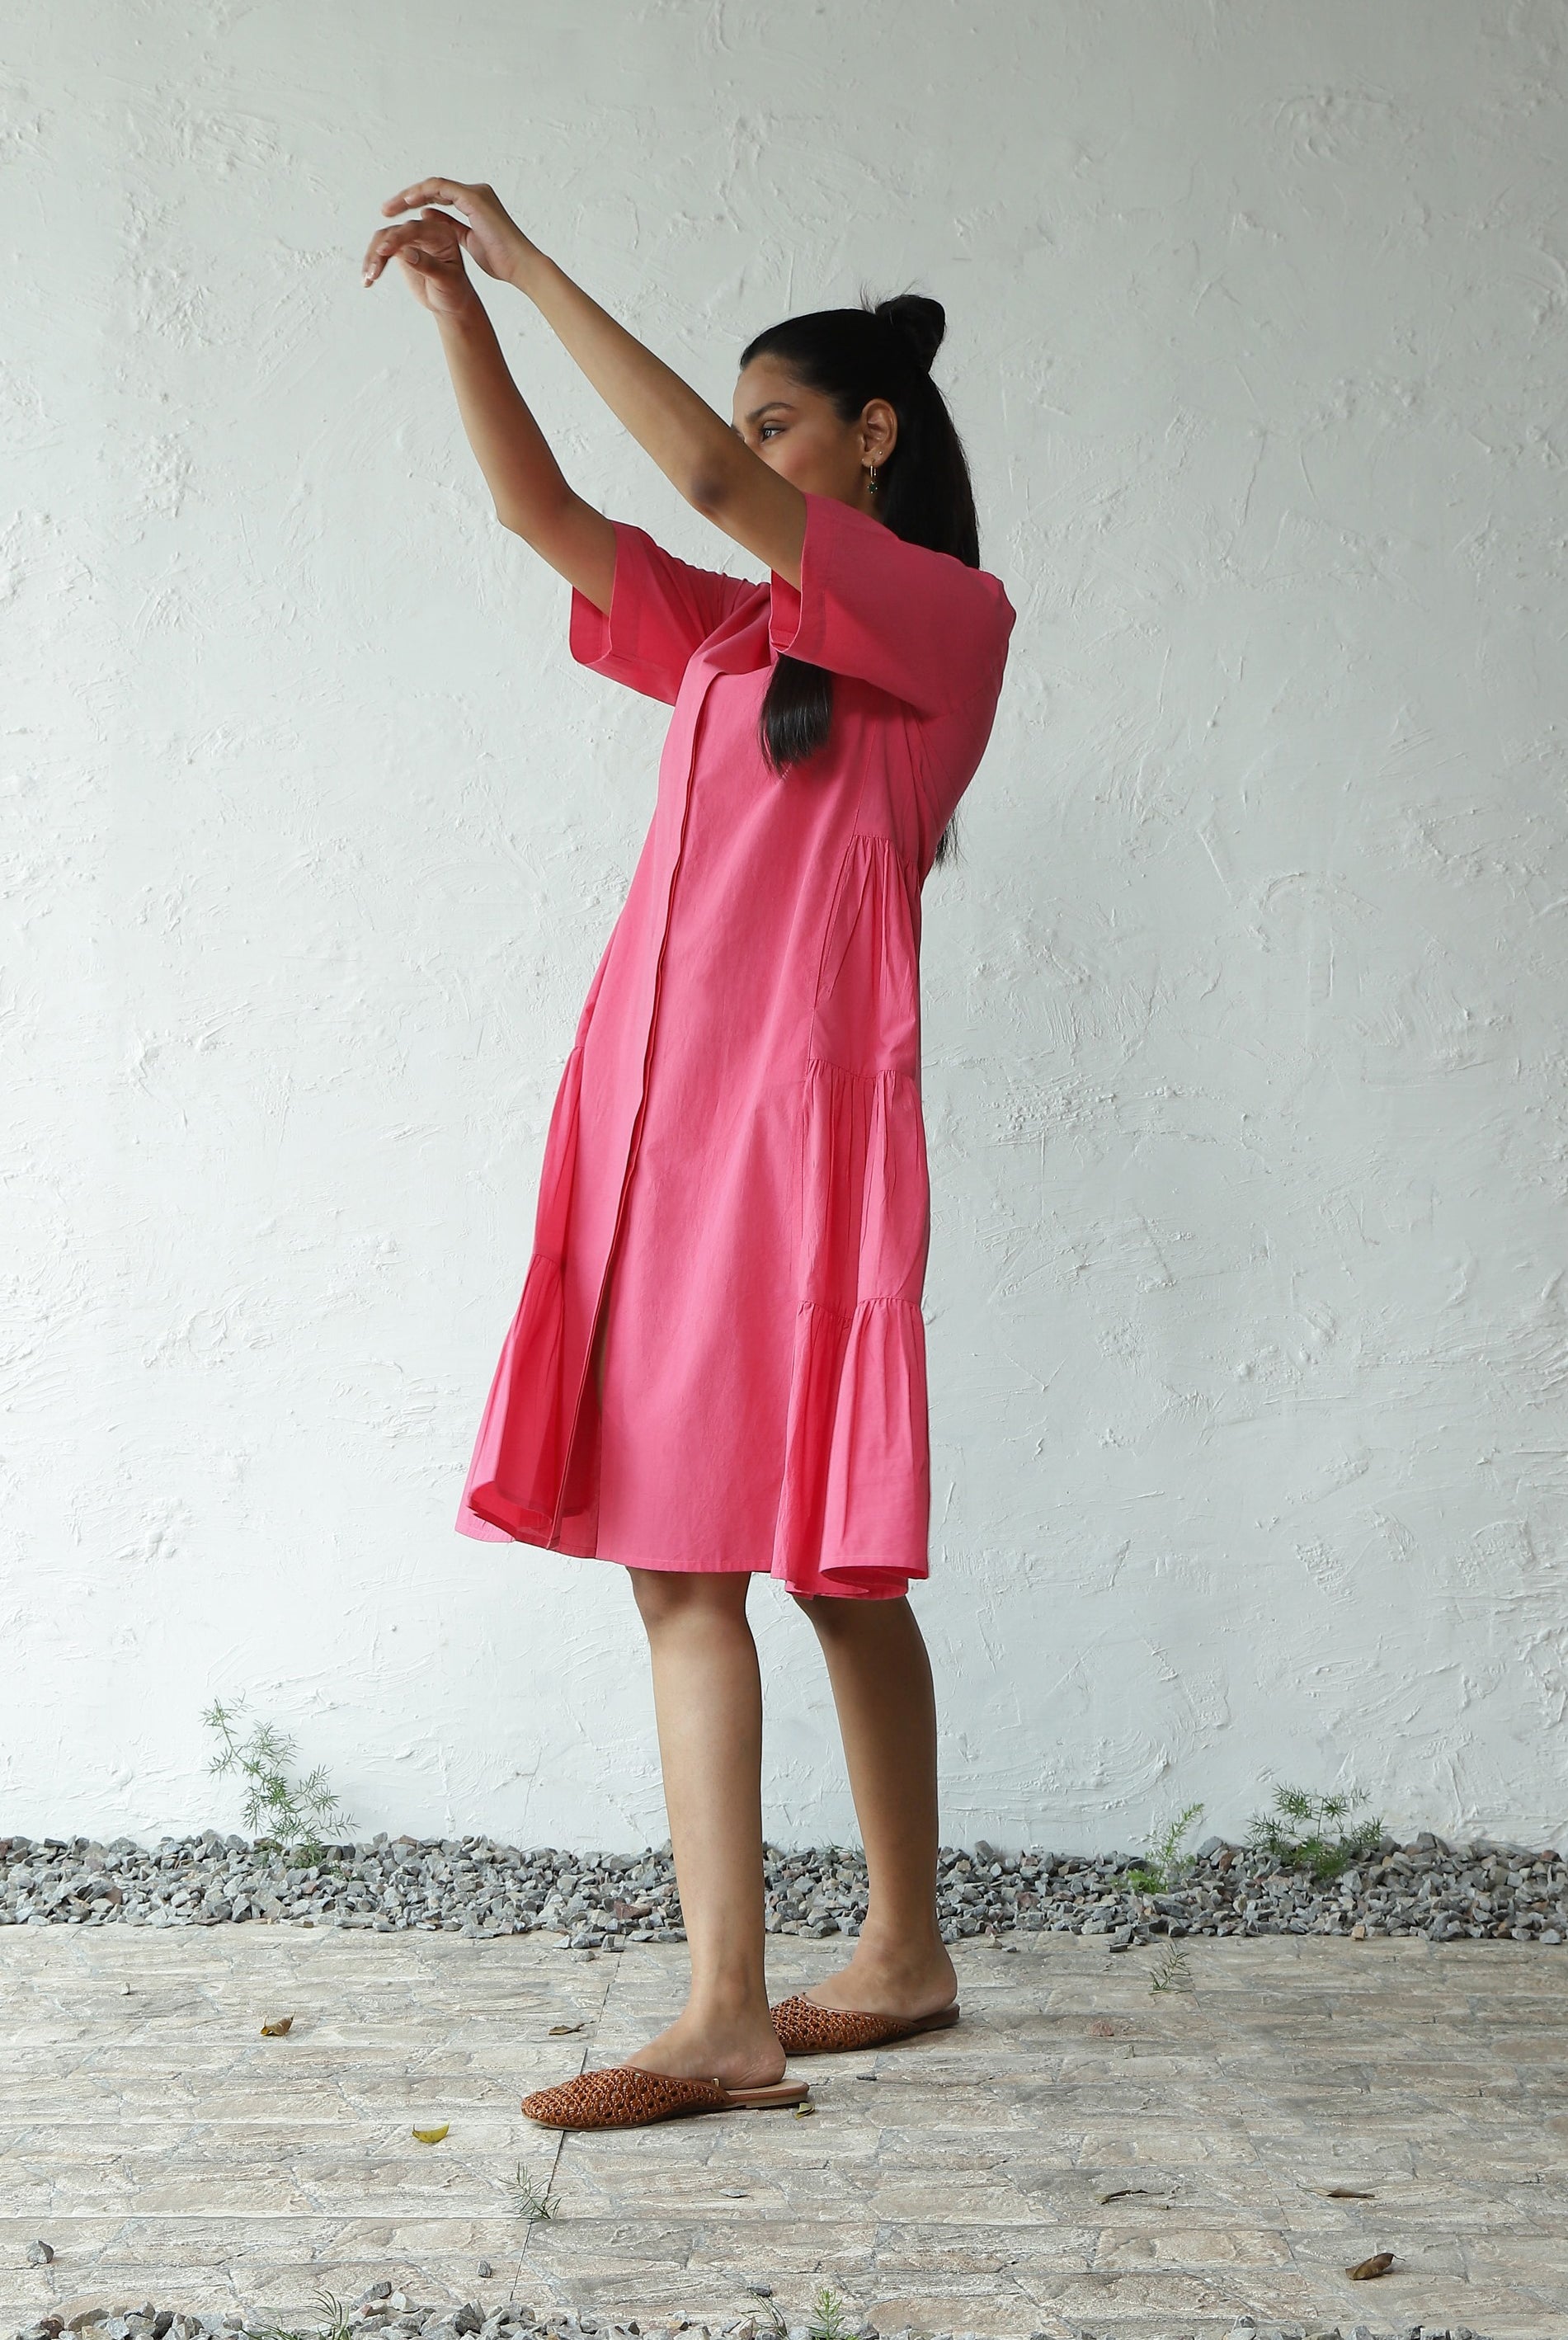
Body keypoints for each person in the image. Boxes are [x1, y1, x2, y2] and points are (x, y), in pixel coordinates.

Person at [362, 181, 1018, 2132]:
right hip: (658, 1126)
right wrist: (462, 313)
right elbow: (546, 518)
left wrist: (541, 257)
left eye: (778, 419)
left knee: (828, 1571)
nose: (745, 453)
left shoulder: (944, 620)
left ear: (873, 436)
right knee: (680, 1561)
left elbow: (705, 488)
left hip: (798, 1144)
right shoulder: (741, 639)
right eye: (745, 424)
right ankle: (743, 2001)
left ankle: (891, 1954)